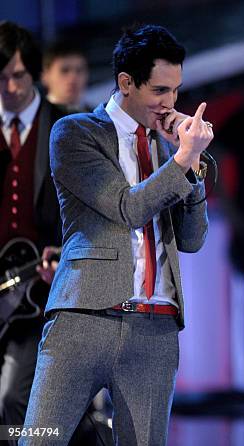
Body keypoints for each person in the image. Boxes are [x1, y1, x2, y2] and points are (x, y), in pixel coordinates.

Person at [21, 24, 212, 445]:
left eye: (177, 91)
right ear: (126, 82)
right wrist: (182, 159)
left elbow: (193, 239)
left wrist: (192, 166)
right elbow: (129, 207)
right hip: (84, 318)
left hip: (156, 328)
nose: (171, 104)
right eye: (160, 91)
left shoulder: (169, 149)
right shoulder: (75, 133)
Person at [0, 19, 64, 436]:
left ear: (36, 74)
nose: (8, 87)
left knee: (10, 401)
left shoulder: (64, 127)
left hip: (37, 293)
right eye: (0, 78)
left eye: (18, 76)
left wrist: (63, 252)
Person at [41, 41, 89, 113]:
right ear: (45, 76)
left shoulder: (100, 119)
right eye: (64, 70)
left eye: (79, 70)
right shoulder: (33, 117)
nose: (73, 77)